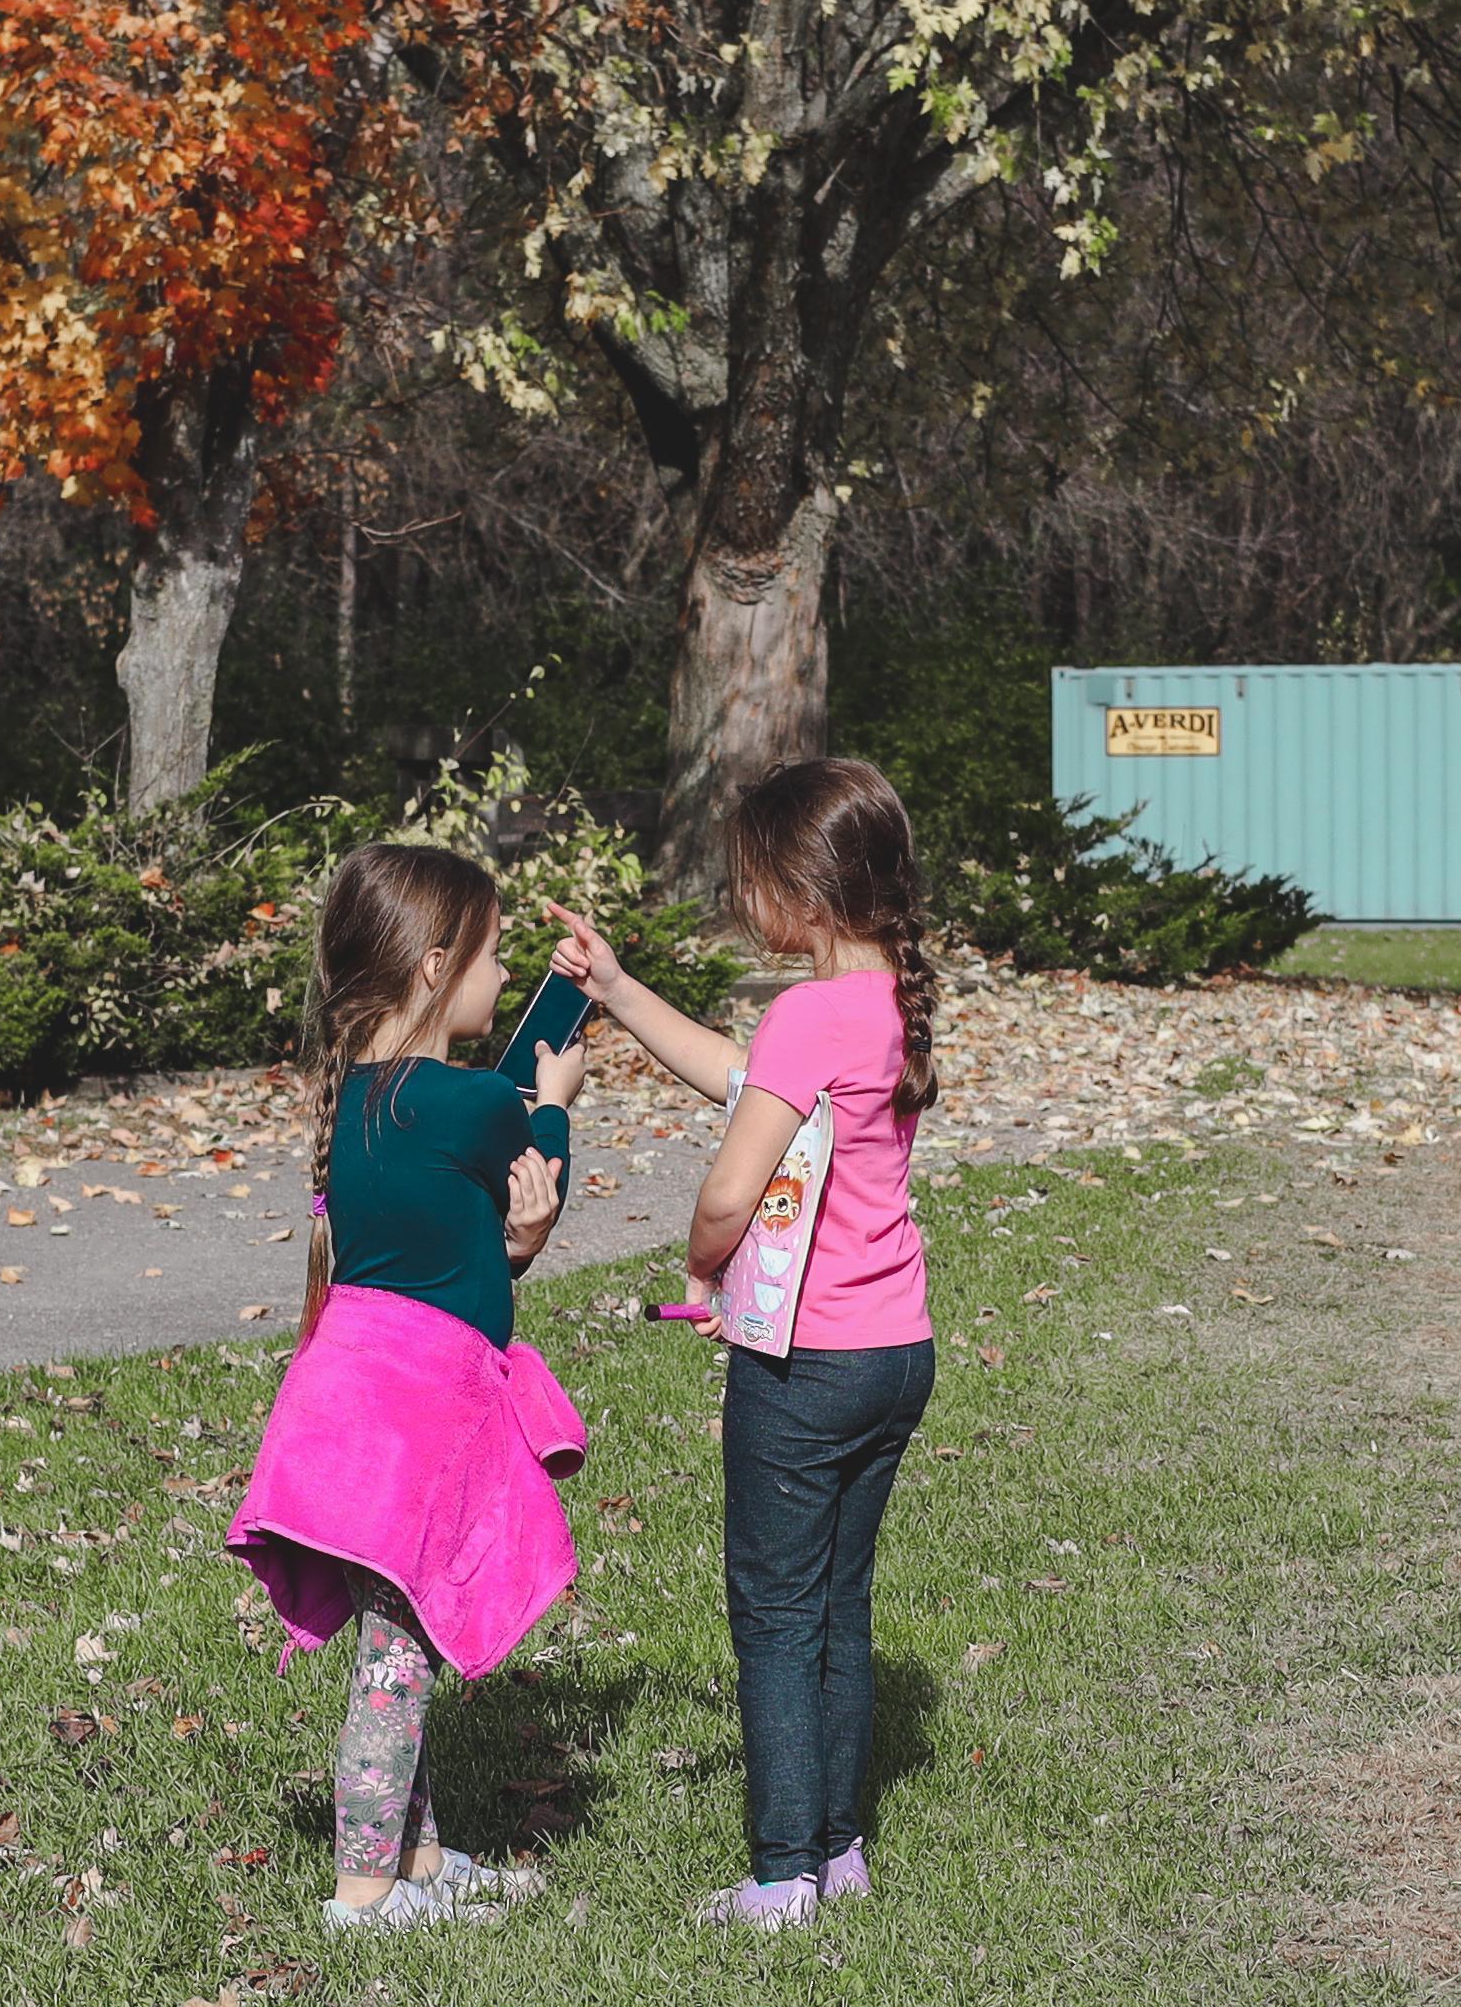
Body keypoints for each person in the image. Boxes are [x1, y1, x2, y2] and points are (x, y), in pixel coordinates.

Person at [547, 758, 947, 1931]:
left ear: (801, 889)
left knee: (773, 1612)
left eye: (751, 879)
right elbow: (741, 1079)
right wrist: (616, 989)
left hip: (804, 1365)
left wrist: (701, 1261)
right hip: (895, 1352)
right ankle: (837, 1846)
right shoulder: (886, 1003)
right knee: (837, 1601)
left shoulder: (807, 1011)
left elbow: (730, 1188)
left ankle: (780, 1879)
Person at [220, 841, 587, 1933]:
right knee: (395, 1656)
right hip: (417, 1420)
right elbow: (536, 1173)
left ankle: (420, 1863)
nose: (496, 977)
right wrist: (555, 1102)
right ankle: (364, 1893)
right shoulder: (477, 1106)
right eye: (488, 957)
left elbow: (465, 1253)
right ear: (434, 967)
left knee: (405, 1629)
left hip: (349, 1405)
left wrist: (516, 1245)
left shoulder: (356, 1101)